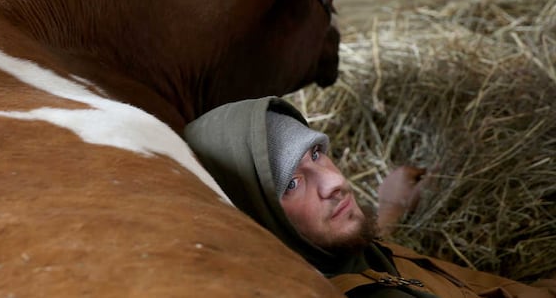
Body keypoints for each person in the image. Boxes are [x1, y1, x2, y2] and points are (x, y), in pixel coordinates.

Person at [185, 96, 556, 298]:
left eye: (316, 154)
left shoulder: (341, 254)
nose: (333, 182)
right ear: (252, 216)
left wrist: (389, 211)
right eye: (291, 184)